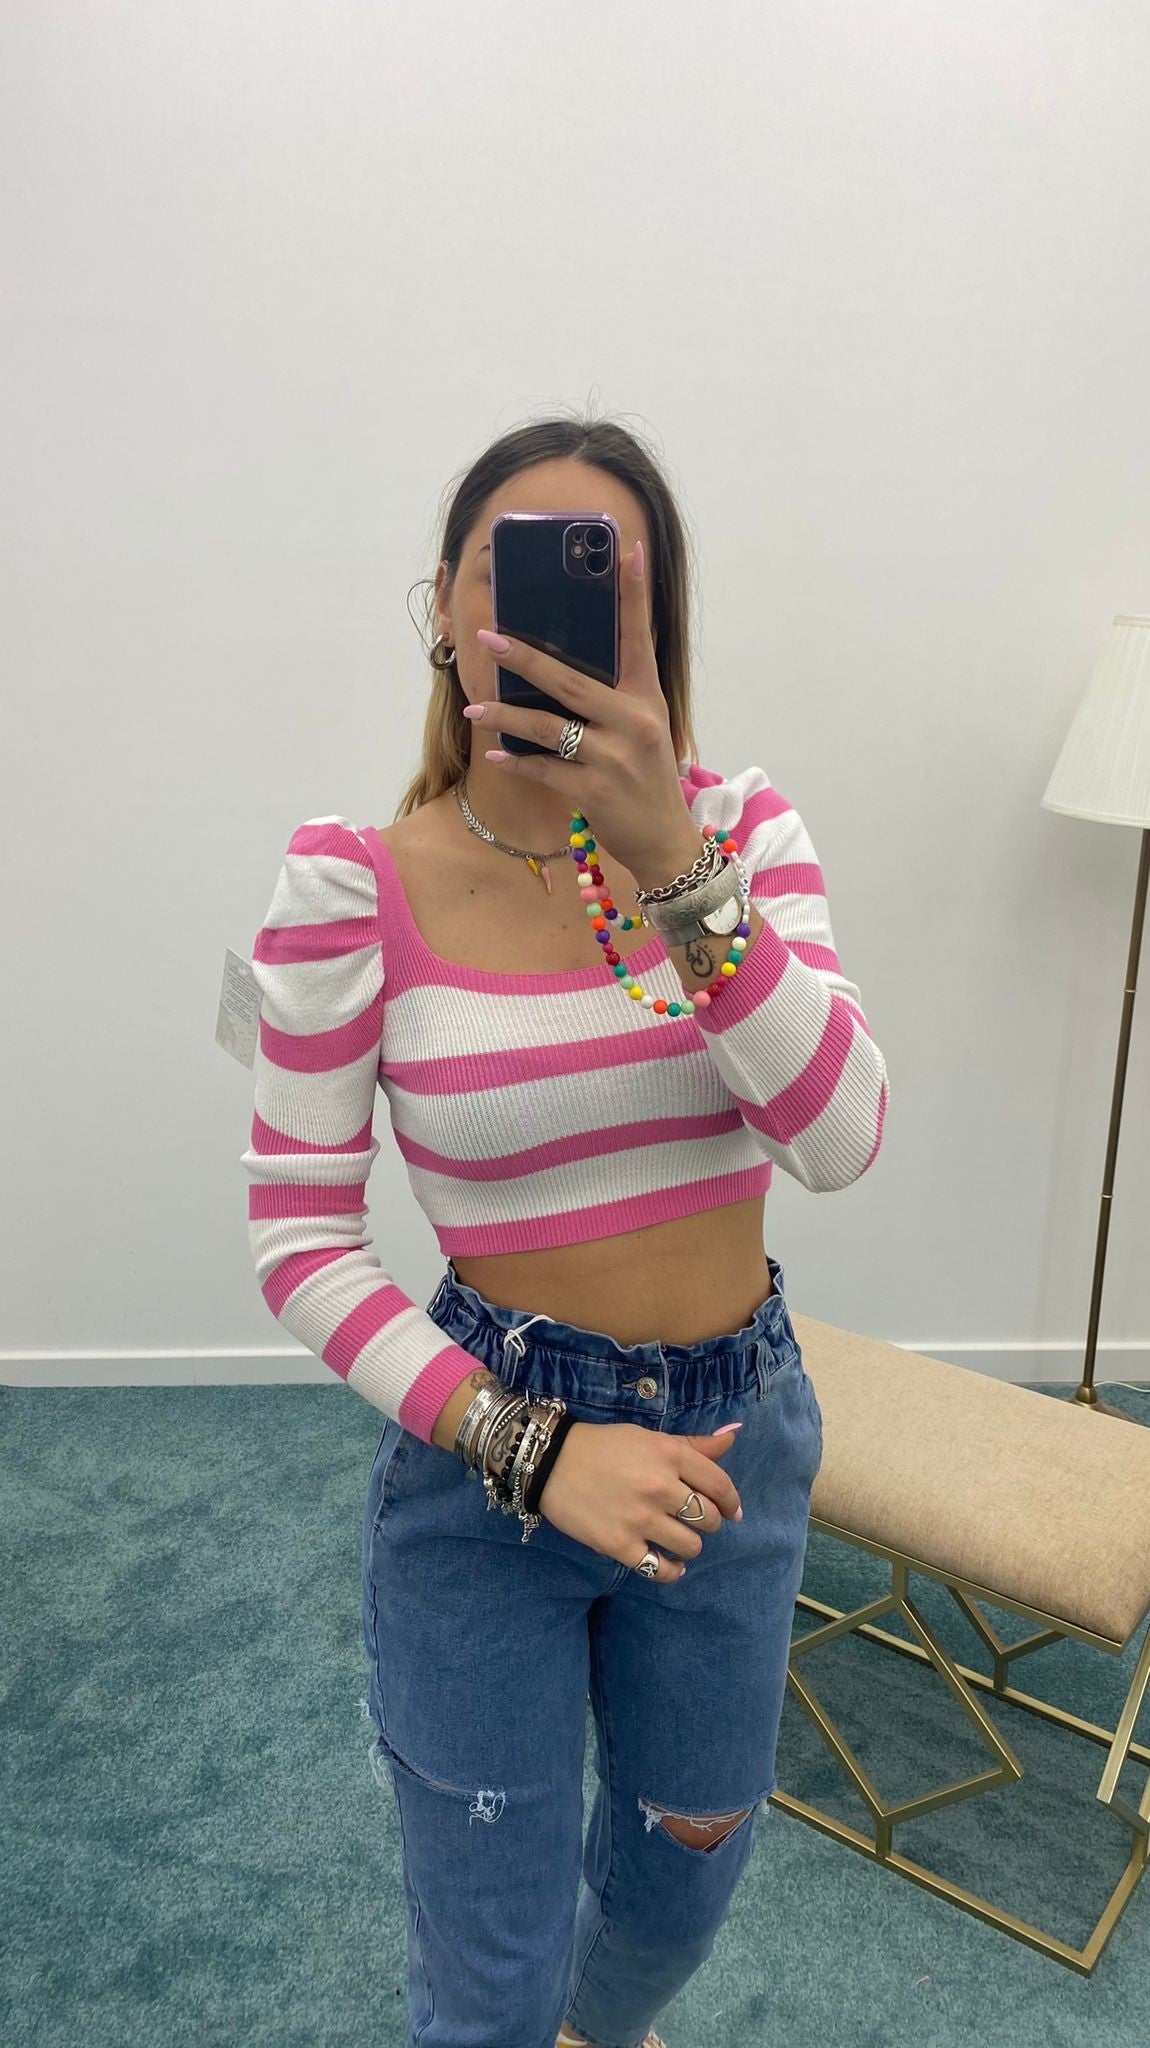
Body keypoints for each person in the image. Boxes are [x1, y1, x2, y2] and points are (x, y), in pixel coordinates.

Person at [241, 414, 890, 2048]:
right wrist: (532, 1449)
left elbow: (836, 1140)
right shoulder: (350, 886)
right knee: (491, 1971)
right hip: (485, 1454)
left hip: (735, 1442)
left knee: (684, 1874)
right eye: (505, 567)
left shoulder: (743, 833)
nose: (540, 614)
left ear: (654, 626)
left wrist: (672, 859)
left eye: (604, 579)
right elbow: (299, 1238)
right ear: (444, 608)